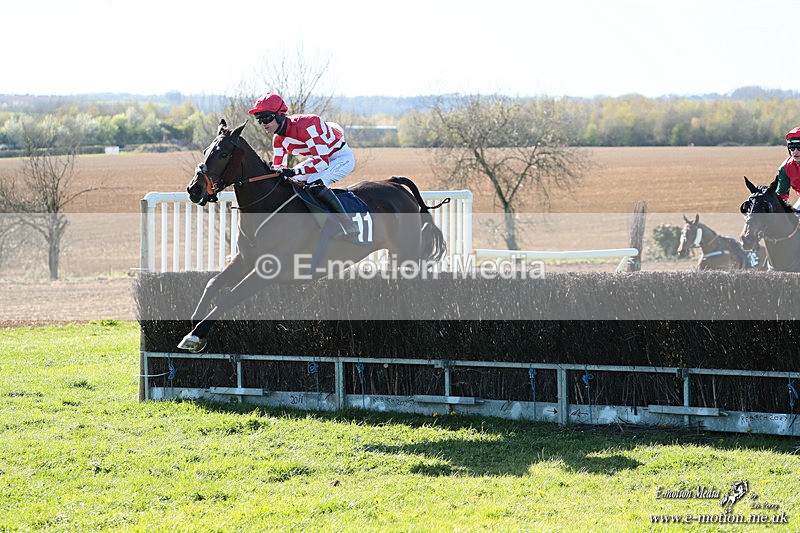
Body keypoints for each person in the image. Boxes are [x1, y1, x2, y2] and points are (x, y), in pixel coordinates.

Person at [248, 92, 359, 236]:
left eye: (266, 118)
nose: (263, 124)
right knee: (289, 182)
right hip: (320, 159)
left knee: (315, 182)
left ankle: (348, 224)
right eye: (259, 120)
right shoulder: (278, 139)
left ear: (280, 115)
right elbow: (279, 170)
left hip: (340, 158)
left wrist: (294, 171)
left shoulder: (308, 124)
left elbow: (322, 162)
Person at [776, 126, 800, 210]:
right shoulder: (785, 168)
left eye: (799, 147)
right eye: (792, 147)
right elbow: (781, 195)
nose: (795, 152)